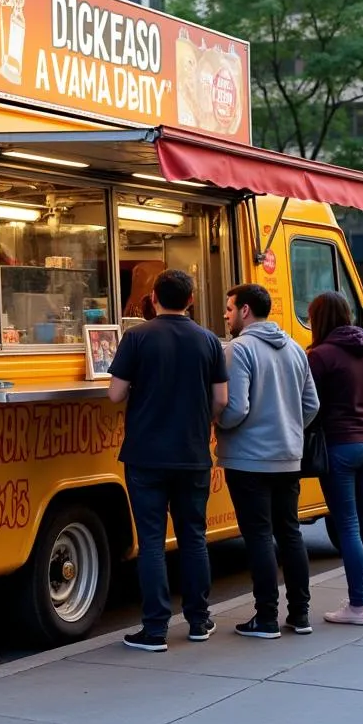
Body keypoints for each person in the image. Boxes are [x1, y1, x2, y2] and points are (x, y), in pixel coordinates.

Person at [108, 269, 228, 652]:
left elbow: (115, 394)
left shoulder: (137, 337)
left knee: (152, 541)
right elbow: (222, 400)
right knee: (193, 537)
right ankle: (198, 621)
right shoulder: (210, 341)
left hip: (145, 455)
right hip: (192, 454)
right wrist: (199, 419)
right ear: (191, 300)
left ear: (154, 297)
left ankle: (155, 629)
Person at [217, 283, 319, 638]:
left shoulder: (239, 349)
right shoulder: (294, 348)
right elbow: (312, 406)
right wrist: (288, 428)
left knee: (259, 536)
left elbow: (236, 408)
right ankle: (301, 615)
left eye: (230, 309)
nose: (226, 316)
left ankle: (265, 617)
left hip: (248, 460)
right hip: (288, 457)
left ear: (245, 310)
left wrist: (218, 422)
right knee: (290, 534)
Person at [307, 291, 363, 625]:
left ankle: (356, 606)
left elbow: (309, 403)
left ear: (318, 319)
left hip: (341, 445)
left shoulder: (321, 355)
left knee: (348, 526)